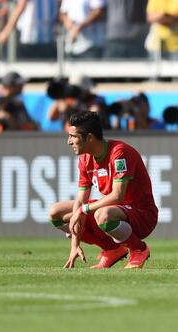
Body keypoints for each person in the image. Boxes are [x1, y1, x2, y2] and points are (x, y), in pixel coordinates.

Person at [48, 111, 159, 269]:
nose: (69, 142)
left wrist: (83, 210)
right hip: (115, 212)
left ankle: (138, 249)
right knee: (56, 212)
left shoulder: (120, 153)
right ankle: (112, 249)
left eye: (73, 136)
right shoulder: (85, 159)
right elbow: (80, 201)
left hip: (142, 215)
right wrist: (75, 245)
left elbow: (117, 196)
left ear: (90, 137)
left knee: (103, 214)